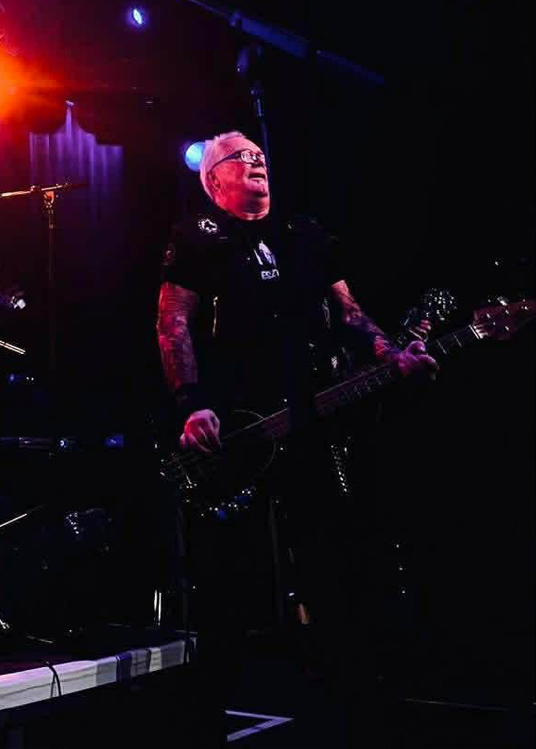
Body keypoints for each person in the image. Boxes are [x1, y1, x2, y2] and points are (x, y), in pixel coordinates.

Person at [156, 130, 437, 744]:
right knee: (231, 575)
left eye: (260, 155)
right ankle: (207, 714)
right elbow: (172, 323)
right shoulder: (198, 236)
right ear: (214, 179)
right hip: (241, 425)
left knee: (333, 560)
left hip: (314, 418)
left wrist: (392, 354)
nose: (256, 160)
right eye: (241, 157)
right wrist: (193, 405)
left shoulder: (302, 234)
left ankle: (351, 705)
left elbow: (350, 313)